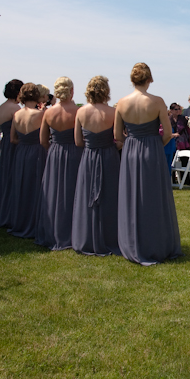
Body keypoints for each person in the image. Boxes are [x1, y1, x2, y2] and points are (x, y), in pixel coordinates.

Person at [114, 63, 182, 265]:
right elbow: (168, 134)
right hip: (153, 150)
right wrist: (154, 145)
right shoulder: (158, 101)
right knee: (154, 197)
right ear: (149, 79)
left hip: (130, 151)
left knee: (132, 197)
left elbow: (118, 136)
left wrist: (132, 144)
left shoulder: (122, 103)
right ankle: (156, 243)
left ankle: (133, 243)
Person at [72, 75, 121, 257]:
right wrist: (111, 146)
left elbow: (78, 141)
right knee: (110, 197)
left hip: (89, 157)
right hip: (109, 156)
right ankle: (111, 237)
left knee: (88, 196)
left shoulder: (81, 112)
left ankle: (87, 238)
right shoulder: (113, 112)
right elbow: (120, 139)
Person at [35, 77, 84, 250]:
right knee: (73, 191)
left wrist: (53, 150)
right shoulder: (78, 111)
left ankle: (53, 230)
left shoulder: (48, 113)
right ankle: (73, 231)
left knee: (54, 192)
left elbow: (43, 140)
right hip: (75, 152)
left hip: (55, 153)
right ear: (71, 90)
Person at [7, 83, 46, 239]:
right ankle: (34, 222)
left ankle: (19, 221)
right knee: (35, 187)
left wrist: (24, 144)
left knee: (21, 186)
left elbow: (12, 139)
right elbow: (44, 139)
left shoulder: (16, 114)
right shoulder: (40, 114)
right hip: (36, 151)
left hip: (21, 152)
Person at [0, 79, 23, 227]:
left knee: (6, 178)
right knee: (14, 178)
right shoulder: (16, 108)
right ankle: (12, 213)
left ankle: (4, 211)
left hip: (5, 144)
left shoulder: (2, 106)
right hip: (15, 144)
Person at [164, 103, 181, 171]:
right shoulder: (162, 120)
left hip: (171, 145)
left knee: (169, 166)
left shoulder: (167, 119)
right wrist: (173, 135)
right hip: (164, 146)